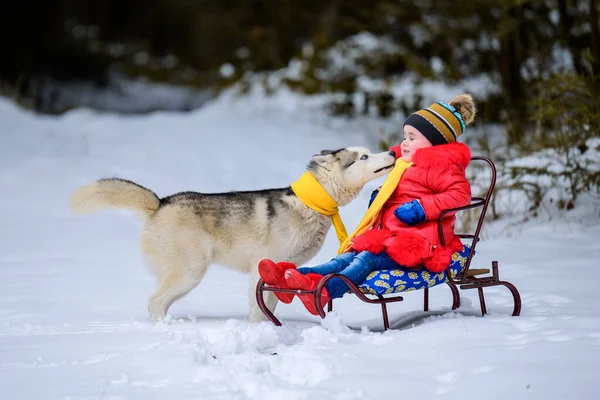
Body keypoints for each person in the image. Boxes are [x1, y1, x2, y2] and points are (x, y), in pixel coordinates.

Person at [258, 93, 475, 315]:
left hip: (420, 245)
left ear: (435, 142)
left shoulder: (442, 167)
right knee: (344, 259)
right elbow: (403, 194)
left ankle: (323, 292)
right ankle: (292, 279)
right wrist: (383, 197)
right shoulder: (405, 166)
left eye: (412, 138)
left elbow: (460, 194)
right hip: (391, 237)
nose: (404, 143)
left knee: (366, 259)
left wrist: (421, 207)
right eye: (405, 137)